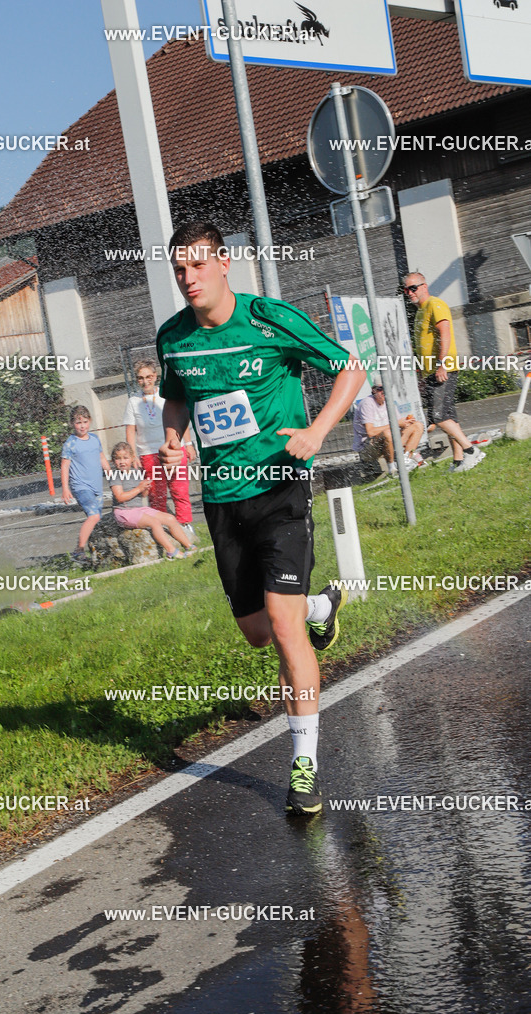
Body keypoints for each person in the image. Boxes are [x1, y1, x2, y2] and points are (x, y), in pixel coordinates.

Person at [157, 220, 366, 816]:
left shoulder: (270, 318)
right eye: (179, 269)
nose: (187, 278)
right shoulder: (173, 336)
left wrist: (319, 430)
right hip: (222, 498)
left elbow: (348, 366)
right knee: (257, 634)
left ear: (225, 264)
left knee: (282, 622)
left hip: (279, 485)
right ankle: (322, 605)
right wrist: (174, 439)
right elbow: (178, 395)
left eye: (197, 266)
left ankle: (304, 766)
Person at [403, 272, 485, 473]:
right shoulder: (420, 312)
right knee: (448, 417)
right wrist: (423, 375)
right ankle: (458, 460)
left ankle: (471, 451)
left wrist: (442, 365)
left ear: (424, 286)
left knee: (439, 416)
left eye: (413, 288)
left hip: (443, 369)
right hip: (431, 371)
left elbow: (445, 333)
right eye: (406, 289)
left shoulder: (435, 304)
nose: (409, 292)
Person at [123, 360, 197, 542]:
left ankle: (185, 524)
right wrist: (133, 455)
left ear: (155, 376)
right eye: (140, 378)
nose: (145, 381)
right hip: (148, 453)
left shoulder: (167, 396)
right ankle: (163, 527)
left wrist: (188, 444)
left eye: (149, 376)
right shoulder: (132, 402)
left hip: (173, 449)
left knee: (180, 490)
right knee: (157, 494)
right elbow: (130, 431)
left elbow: (181, 420)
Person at [108, 442, 197, 560]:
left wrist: (145, 489)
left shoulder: (137, 472)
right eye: (118, 459)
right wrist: (139, 488)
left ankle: (189, 546)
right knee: (154, 522)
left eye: (125, 458)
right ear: (114, 461)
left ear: (132, 458)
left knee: (170, 519)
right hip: (125, 512)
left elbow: (143, 495)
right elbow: (120, 497)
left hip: (139, 509)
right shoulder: (116, 476)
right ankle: (171, 551)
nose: (122, 461)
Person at [61, 405, 110, 566]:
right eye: (78, 422)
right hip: (80, 486)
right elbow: (65, 466)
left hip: (96, 486)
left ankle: (95, 552)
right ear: (72, 424)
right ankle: (78, 551)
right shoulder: (70, 443)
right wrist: (66, 488)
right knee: (94, 516)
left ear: (90, 421)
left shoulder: (95, 439)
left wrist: (111, 474)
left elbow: (102, 458)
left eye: (85, 421)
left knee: (96, 520)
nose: (82, 425)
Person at [352, 376, 425, 474]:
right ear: (373, 390)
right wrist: (395, 424)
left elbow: (399, 426)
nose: (383, 392)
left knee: (417, 425)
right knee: (388, 433)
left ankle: (405, 460)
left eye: (386, 388)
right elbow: (370, 432)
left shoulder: (389, 403)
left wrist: (407, 423)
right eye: (380, 389)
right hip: (367, 449)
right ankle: (392, 469)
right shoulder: (367, 404)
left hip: (387, 441)